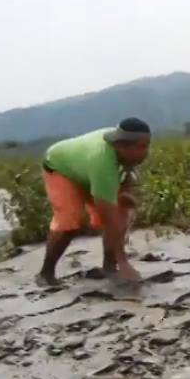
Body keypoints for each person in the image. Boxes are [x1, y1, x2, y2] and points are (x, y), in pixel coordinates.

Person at [36, 118, 151, 287]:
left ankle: (109, 267)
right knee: (71, 220)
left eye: (148, 145)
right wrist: (124, 261)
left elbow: (126, 172)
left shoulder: (121, 146)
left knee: (121, 210)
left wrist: (125, 193)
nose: (146, 152)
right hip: (60, 167)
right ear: (122, 146)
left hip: (84, 167)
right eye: (141, 147)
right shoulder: (102, 163)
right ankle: (46, 274)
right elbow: (110, 220)